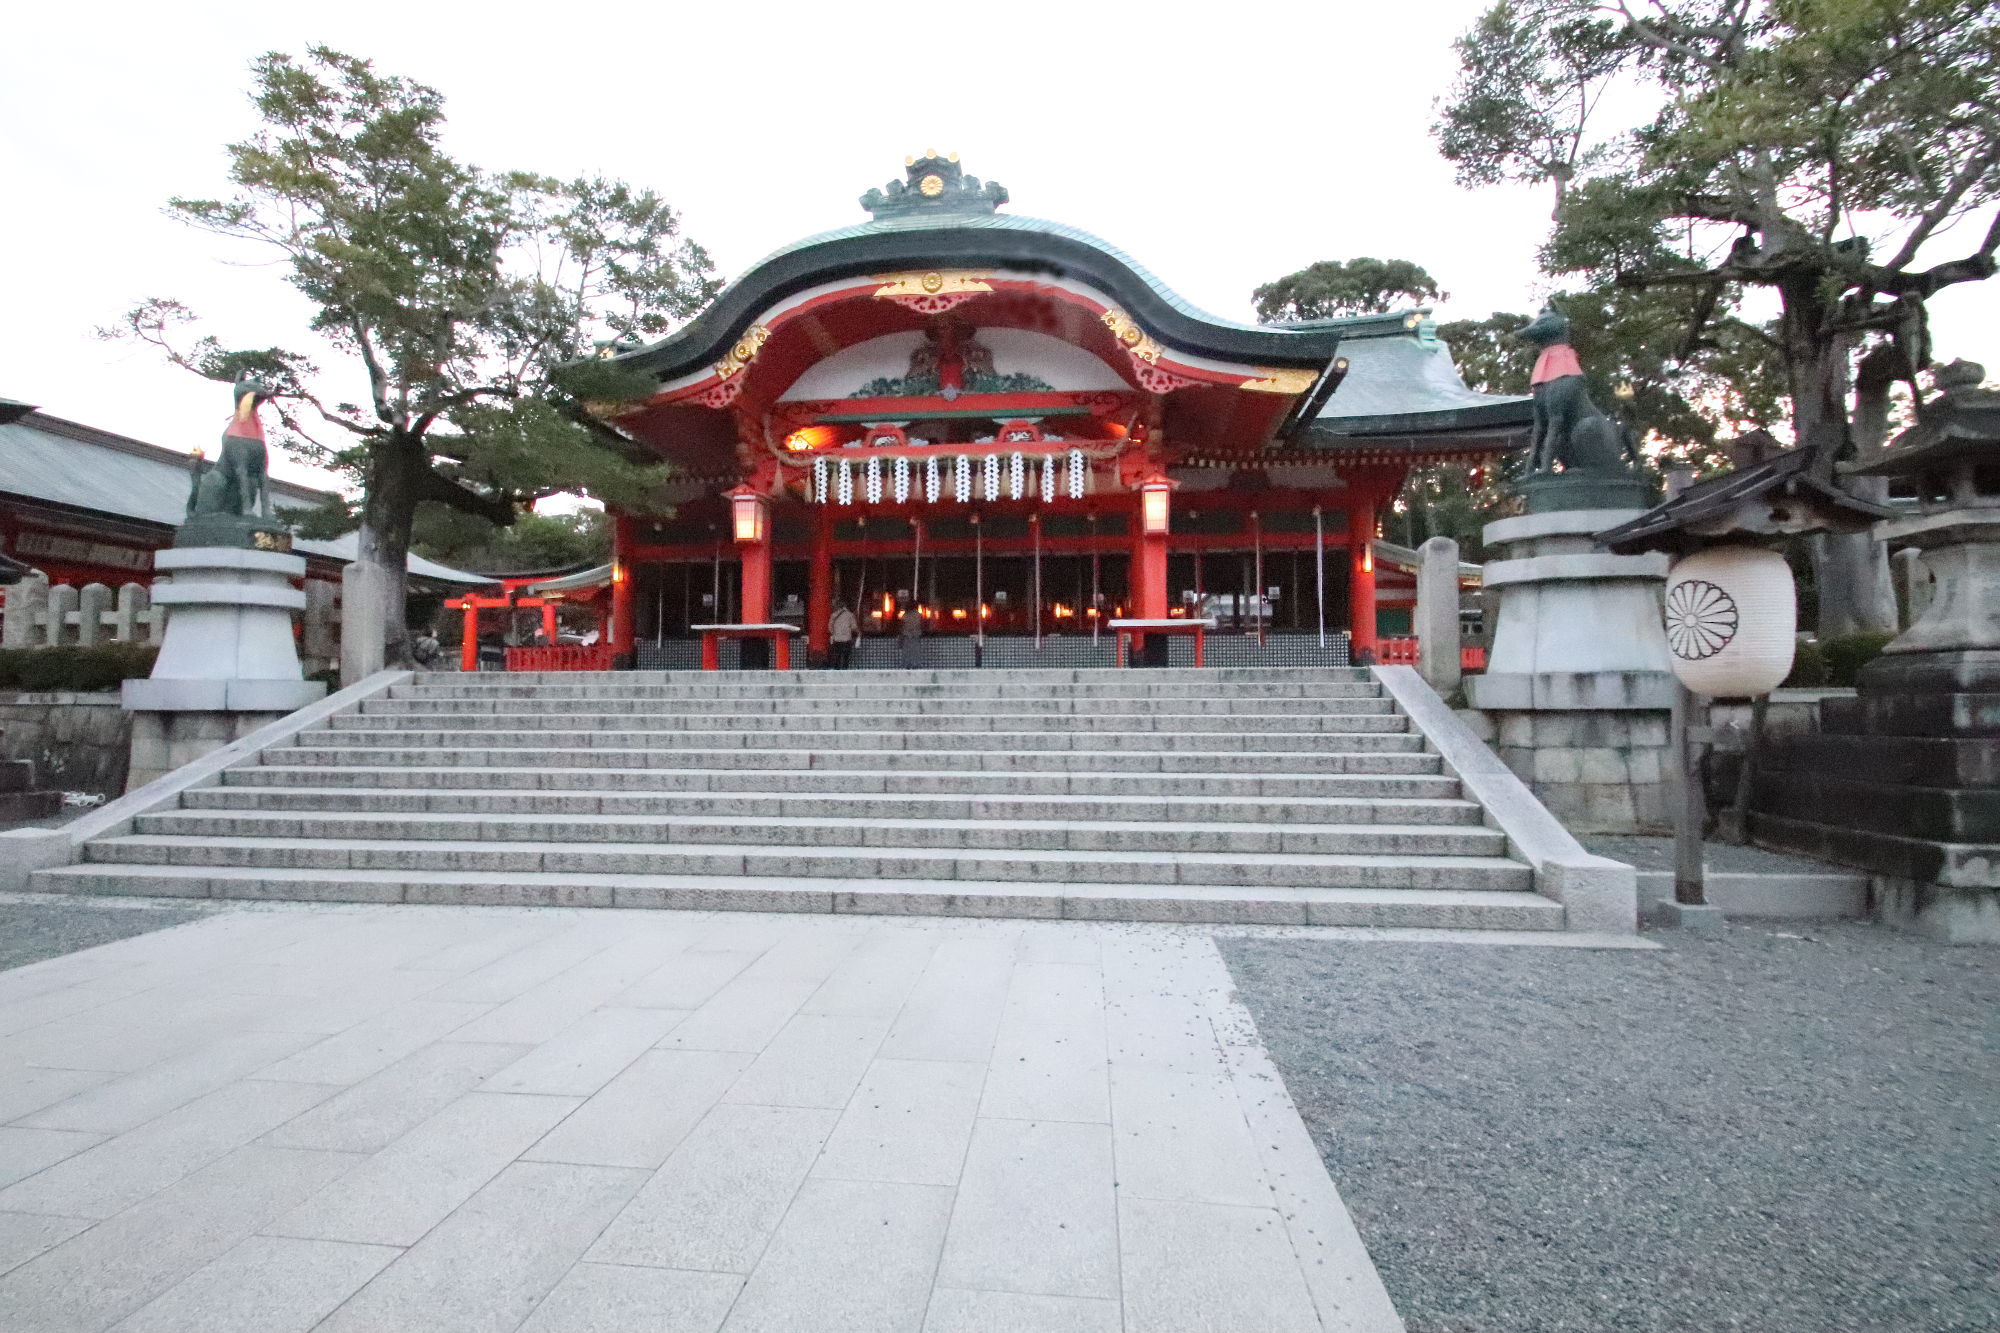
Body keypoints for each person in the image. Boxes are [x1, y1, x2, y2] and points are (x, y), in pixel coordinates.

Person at [828, 599, 858, 669]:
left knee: (837, 657)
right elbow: (854, 627)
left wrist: (835, 633)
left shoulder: (833, 615)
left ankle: (837, 670)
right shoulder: (850, 615)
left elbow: (830, 628)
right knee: (846, 657)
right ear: (845, 606)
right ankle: (845, 670)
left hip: (837, 639)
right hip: (847, 639)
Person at [899, 600, 923, 668]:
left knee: (906, 655)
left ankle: (907, 666)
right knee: (916, 654)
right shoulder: (918, 615)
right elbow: (921, 625)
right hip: (916, 637)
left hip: (907, 637)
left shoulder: (905, 615)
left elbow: (901, 627)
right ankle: (916, 666)